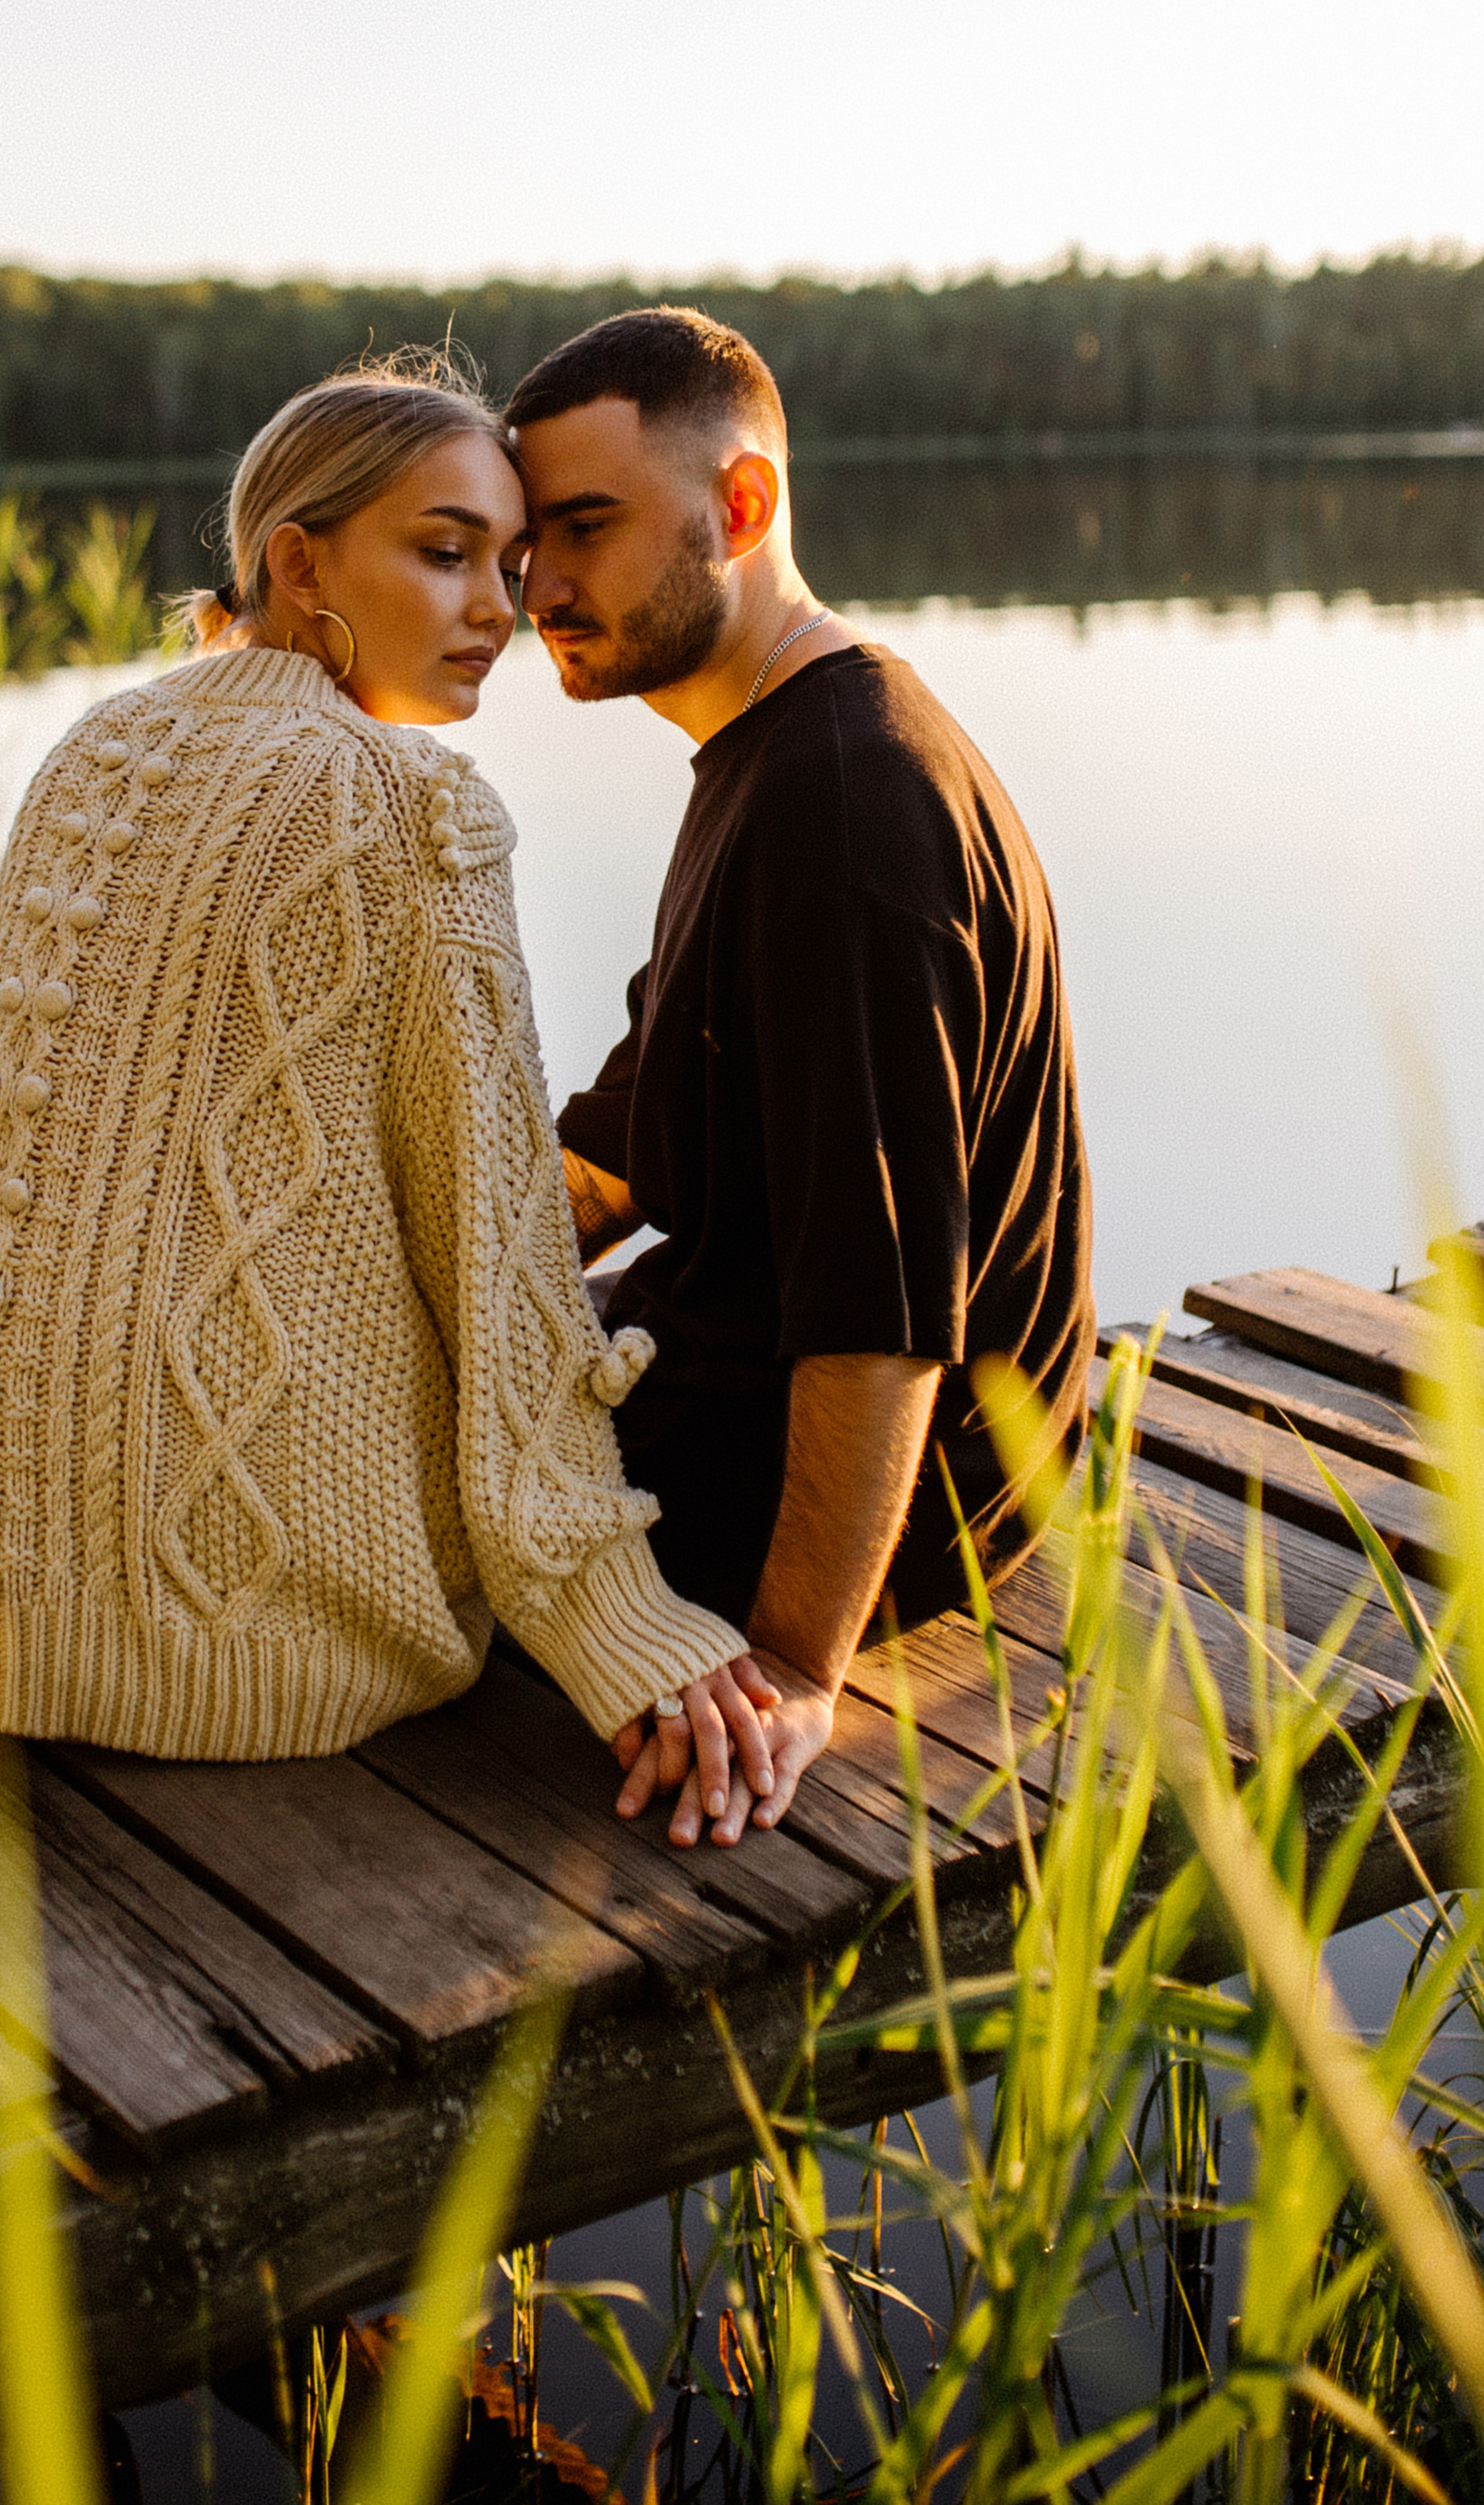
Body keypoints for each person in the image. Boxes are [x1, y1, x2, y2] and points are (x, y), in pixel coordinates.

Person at [0, 359, 777, 1834]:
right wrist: (624, 1630)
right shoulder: (409, 803)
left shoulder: (95, 751)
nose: (499, 609)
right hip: (245, 1649)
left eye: (510, 565)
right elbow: (497, 1268)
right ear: (298, 563)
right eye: (445, 555)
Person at [506, 306, 1093, 1852]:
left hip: (854, 1511)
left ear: (743, 507)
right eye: (520, 542)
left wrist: (783, 1666)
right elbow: (635, 1143)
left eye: (582, 528)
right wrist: (417, 1273)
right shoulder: (772, 754)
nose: (535, 588)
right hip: (732, 1385)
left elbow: (883, 1307)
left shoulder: (846, 801)